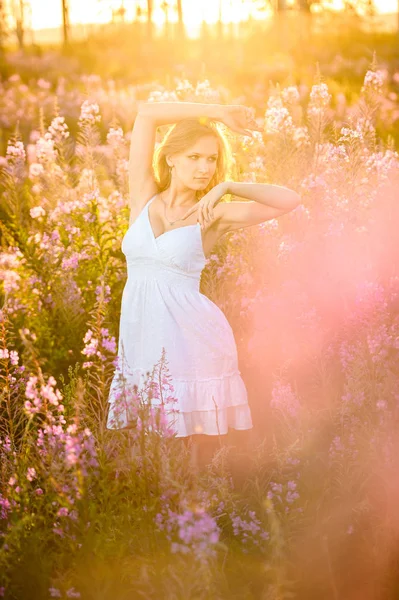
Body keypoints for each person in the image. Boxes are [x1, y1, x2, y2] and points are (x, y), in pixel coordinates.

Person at [106, 101, 301, 470]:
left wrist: (228, 185)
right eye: (195, 157)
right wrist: (219, 111)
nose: (204, 168)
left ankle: (199, 520)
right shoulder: (143, 196)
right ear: (171, 159)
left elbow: (290, 201)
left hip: (190, 342)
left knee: (190, 456)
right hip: (142, 337)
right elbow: (147, 114)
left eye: (212, 160)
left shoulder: (213, 214)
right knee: (147, 453)